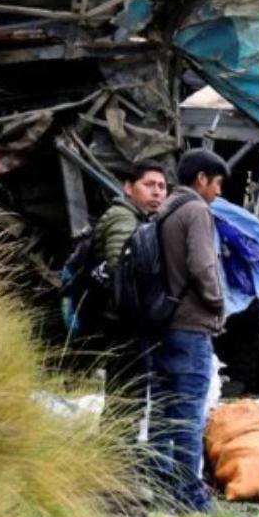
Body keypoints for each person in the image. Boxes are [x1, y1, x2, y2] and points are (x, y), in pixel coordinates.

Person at [151, 148, 229, 513]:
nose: (218, 193)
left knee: (166, 408)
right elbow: (202, 266)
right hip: (191, 325)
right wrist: (217, 303)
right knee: (189, 412)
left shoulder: (165, 209)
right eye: (217, 184)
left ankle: (159, 482)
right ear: (201, 179)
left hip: (164, 323)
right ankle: (190, 497)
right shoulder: (196, 209)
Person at [94, 160, 168, 447]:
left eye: (162, 187)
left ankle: (116, 460)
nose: (157, 193)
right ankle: (114, 464)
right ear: (128, 187)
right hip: (123, 324)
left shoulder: (140, 220)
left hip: (127, 322)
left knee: (129, 394)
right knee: (126, 396)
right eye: (149, 185)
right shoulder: (123, 219)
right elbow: (122, 273)